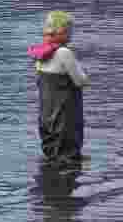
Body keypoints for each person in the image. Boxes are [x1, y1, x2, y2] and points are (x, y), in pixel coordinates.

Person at [29, 11, 90, 164]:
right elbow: (80, 81)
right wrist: (87, 78)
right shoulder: (64, 53)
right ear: (62, 31)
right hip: (64, 113)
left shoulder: (40, 54)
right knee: (68, 154)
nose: (71, 34)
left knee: (52, 152)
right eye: (70, 30)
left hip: (46, 114)